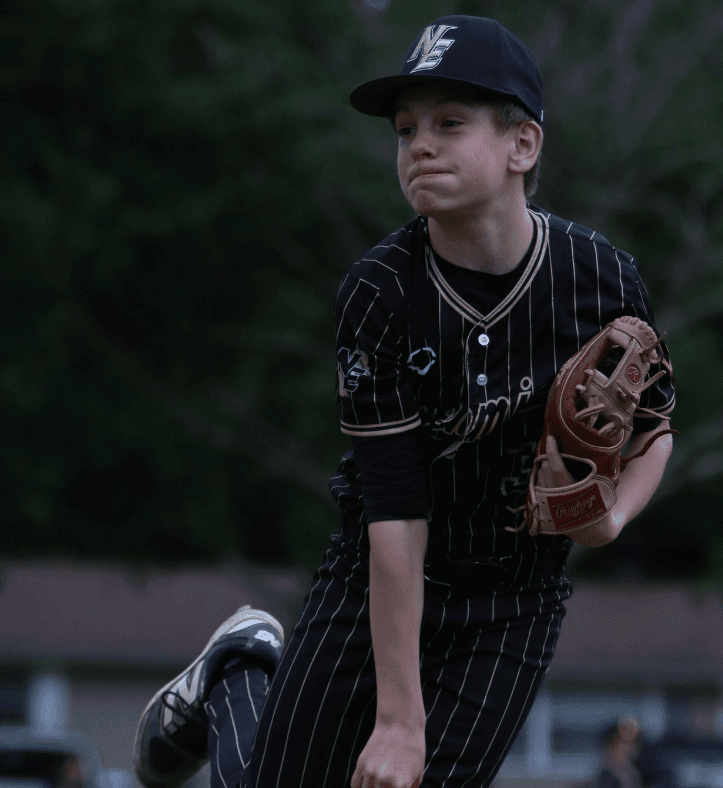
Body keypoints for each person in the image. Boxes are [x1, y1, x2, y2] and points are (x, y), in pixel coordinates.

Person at [133, 14, 675, 788]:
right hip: (375, 579)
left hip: (513, 600)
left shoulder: (601, 279)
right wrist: (397, 720)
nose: (420, 144)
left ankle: (244, 671)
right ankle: (240, 667)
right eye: (406, 128)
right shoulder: (379, 292)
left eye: (450, 123)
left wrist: (612, 516)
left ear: (523, 145)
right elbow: (396, 509)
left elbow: (655, 426)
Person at [595, 718, 643, 788]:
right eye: (626, 742)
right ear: (615, 742)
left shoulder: (633, 770)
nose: (633, 747)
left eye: (634, 741)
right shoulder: (606, 773)